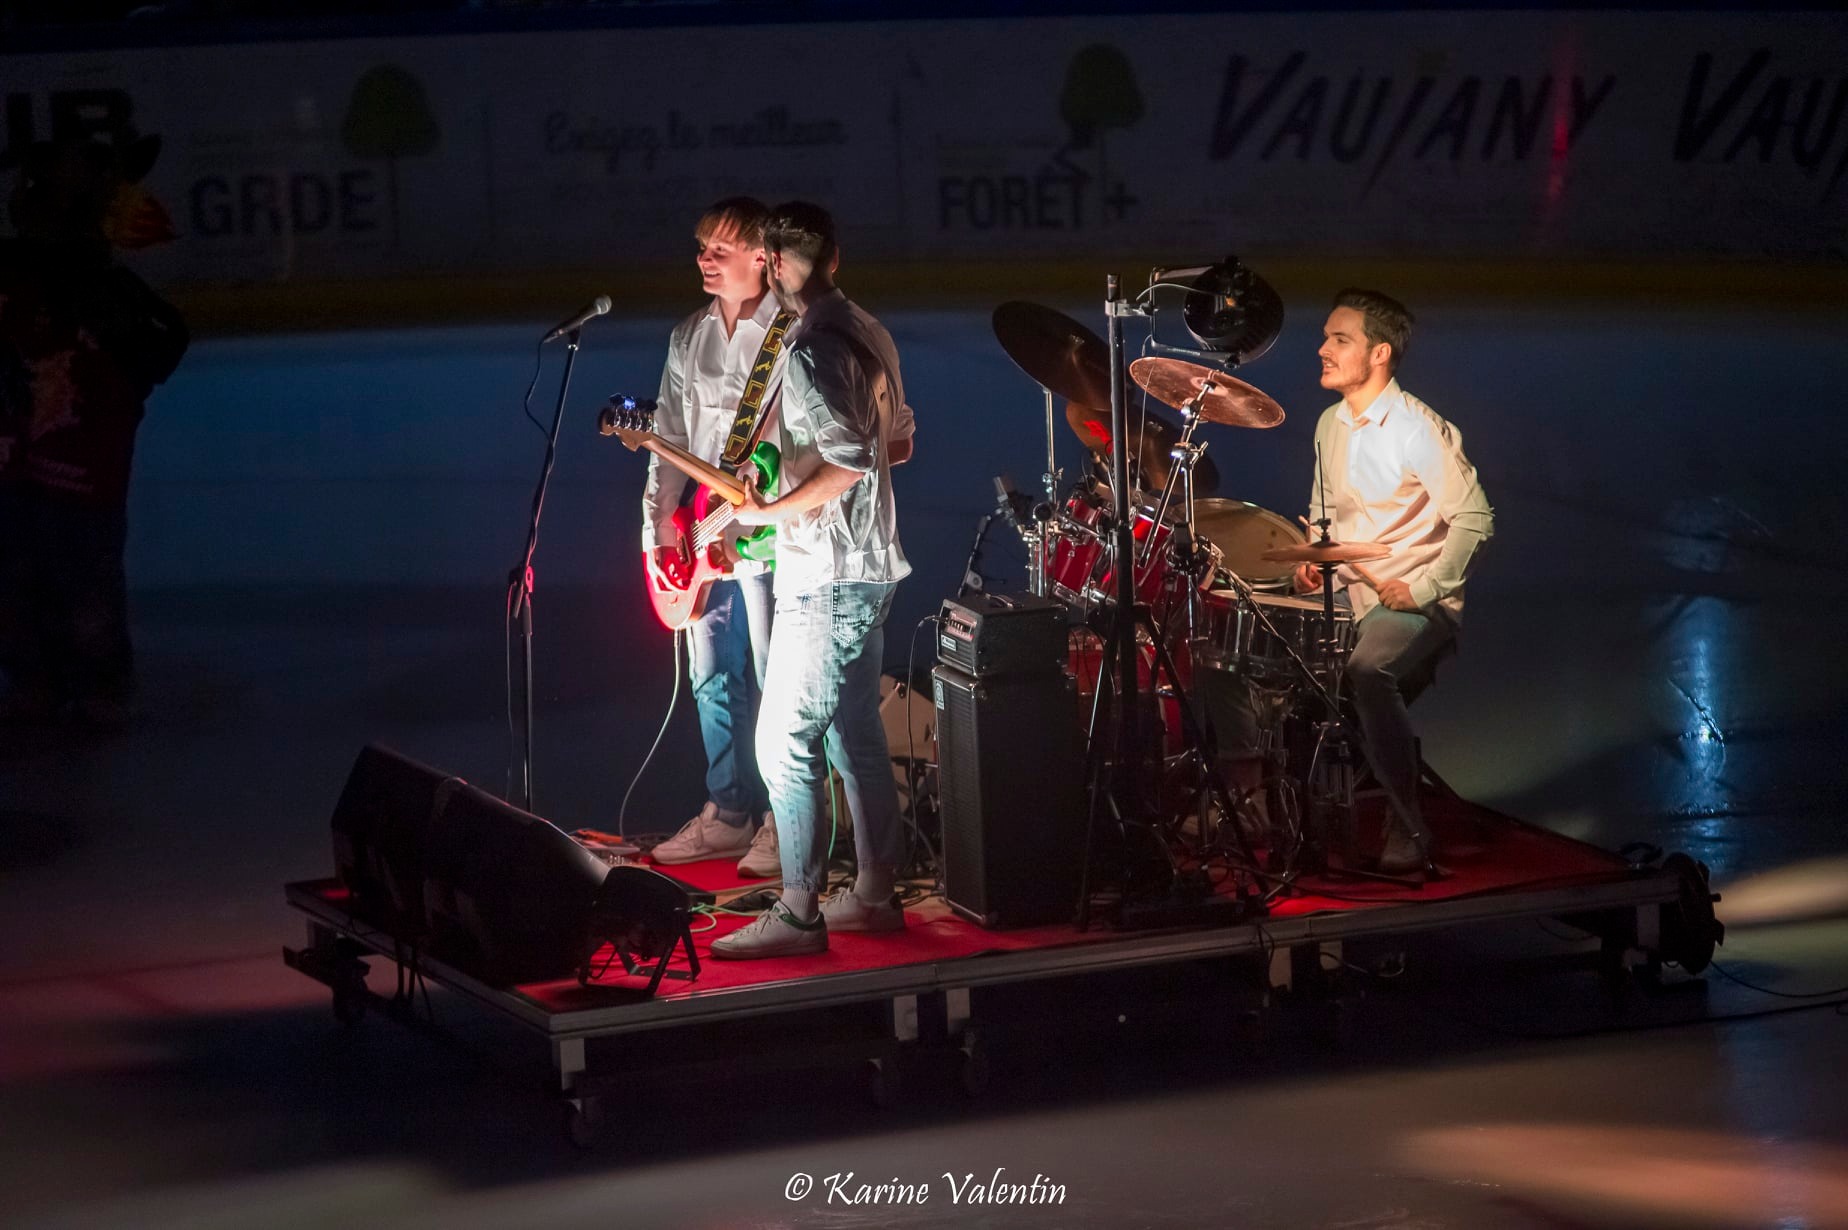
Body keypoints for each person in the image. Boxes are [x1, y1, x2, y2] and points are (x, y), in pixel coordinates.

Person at [711, 201, 915, 959]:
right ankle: (874, 894)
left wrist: (773, 512)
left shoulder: (809, 351)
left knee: (784, 741)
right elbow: (898, 445)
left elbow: (855, 459)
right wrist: (795, 478)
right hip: (868, 564)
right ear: (835, 254)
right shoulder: (866, 328)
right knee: (854, 734)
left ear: (771, 259)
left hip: (826, 576)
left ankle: (799, 912)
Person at [1296, 289, 1493, 877]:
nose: (1323, 349)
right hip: (1349, 595)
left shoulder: (1418, 431)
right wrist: (1311, 560)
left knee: (1365, 671)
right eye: (1326, 336)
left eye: (1340, 339)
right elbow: (1323, 518)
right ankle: (1279, 814)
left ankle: (1409, 823)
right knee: (1264, 661)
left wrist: (1426, 588)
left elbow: (1476, 519)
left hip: (1411, 603)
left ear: (1378, 353)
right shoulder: (1330, 424)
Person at [0, 135, 187, 728]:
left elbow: (163, 343)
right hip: (21, 456)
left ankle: (91, 678)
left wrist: (127, 378)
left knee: (80, 577)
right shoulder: (25, 274)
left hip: (81, 462)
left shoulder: (99, 286)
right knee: (21, 574)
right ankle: (41, 678)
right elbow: (164, 343)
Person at [641, 197, 792, 879]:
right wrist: (658, 532)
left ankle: (785, 823)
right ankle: (729, 812)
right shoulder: (686, 336)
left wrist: (749, 519)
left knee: (776, 678)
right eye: (700, 246)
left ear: (762, 256)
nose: (704, 258)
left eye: (719, 248)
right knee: (711, 677)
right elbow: (667, 439)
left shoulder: (791, 332)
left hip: (766, 536)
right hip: (700, 535)